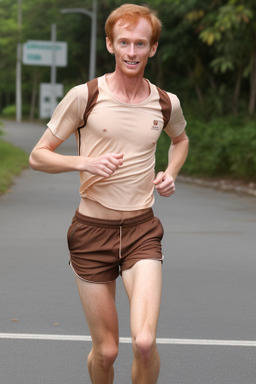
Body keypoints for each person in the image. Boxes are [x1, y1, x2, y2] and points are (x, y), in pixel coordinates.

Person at [29, 4, 189, 383]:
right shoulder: (85, 96)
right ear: (110, 45)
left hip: (141, 230)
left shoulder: (166, 102)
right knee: (107, 351)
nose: (132, 52)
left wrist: (171, 171)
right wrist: (84, 163)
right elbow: (38, 156)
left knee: (146, 342)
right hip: (91, 233)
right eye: (124, 43)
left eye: (140, 43)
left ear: (152, 49)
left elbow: (180, 141)